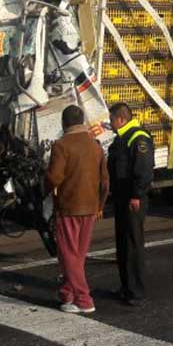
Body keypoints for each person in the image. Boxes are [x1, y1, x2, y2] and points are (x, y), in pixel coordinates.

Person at [45, 105, 109, 314]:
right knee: (78, 254)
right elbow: (105, 182)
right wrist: (100, 205)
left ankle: (83, 299)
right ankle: (67, 293)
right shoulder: (96, 146)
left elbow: (54, 177)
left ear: (64, 123)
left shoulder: (61, 146)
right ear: (81, 121)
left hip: (69, 207)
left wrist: (43, 187)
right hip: (90, 207)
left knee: (68, 254)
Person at [107, 103, 154, 306]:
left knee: (133, 244)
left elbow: (144, 170)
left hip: (132, 199)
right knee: (122, 243)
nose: (110, 123)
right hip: (121, 197)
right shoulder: (121, 139)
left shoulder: (138, 137)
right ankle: (126, 286)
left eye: (111, 119)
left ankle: (136, 291)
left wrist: (136, 195)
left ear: (121, 119)